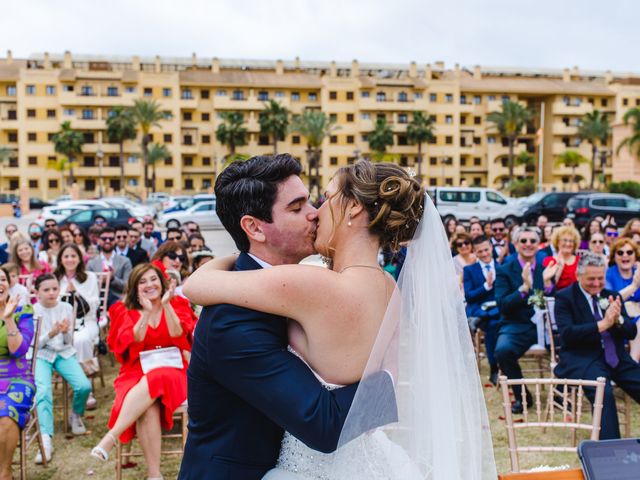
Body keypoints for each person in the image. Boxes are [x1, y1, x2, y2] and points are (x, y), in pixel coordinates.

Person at [180, 156, 495, 479]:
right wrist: (386, 382)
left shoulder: (308, 284)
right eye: (297, 206)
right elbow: (327, 419)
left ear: (355, 208)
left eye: (320, 199)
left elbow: (195, 286)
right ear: (254, 227)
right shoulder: (385, 287)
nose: (315, 212)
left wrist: (225, 261)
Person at [91, 263, 197, 480]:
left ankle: (111, 436)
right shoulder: (124, 310)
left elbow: (181, 338)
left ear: (162, 282)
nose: (149, 285)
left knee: (158, 375)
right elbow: (132, 344)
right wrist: (146, 314)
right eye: (142, 281)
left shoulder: (177, 304)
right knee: (148, 410)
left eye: (153, 279)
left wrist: (165, 306)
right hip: (136, 372)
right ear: (134, 287)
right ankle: (154, 474)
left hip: (174, 370)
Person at [554, 252, 640, 440]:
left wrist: (618, 319)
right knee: (604, 394)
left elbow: (631, 332)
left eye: (600, 278)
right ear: (578, 275)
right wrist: (603, 324)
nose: (596, 283)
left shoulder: (611, 296)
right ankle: (610, 450)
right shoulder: (565, 298)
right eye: (591, 279)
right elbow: (568, 334)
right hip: (583, 359)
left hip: (616, 358)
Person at [34, 274, 92, 463]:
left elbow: (68, 342)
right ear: (37, 292)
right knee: (42, 391)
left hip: (63, 352)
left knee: (84, 386)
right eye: (46, 290)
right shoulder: (33, 310)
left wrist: (66, 333)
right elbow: (35, 345)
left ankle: (75, 415)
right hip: (42, 354)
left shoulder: (66, 307)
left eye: (54, 289)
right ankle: (45, 437)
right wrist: (51, 333)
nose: (51, 293)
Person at [494, 227, 553, 414]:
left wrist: (548, 285)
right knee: (502, 351)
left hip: (545, 327)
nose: (528, 244)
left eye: (532, 241)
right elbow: (502, 305)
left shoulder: (546, 269)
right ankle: (522, 397)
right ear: (516, 245)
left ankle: (561, 394)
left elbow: (553, 300)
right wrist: (524, 288)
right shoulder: (504, 270)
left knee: (571, 345)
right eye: (524, 241)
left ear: (538, 245)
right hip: (516, 325)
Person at [54, 243, 101, 406]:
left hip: (85, 320)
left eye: (73, 256)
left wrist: (76, 294)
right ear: (60, 259)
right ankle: (73, 379)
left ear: (79, 259)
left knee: (80, 339)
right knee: (55, 340)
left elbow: (95, 304)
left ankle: (85, 385)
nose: (69, 259)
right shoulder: (55, 278)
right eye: (66, 256)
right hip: (60, 323)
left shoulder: (89, 277)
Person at [0, 267, 34, 480]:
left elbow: (19, 350)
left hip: (17, 378)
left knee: (5, 415)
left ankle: (5, 471)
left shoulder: (23, 311)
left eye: (2, 279)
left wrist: (9, 317)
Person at [464, 235, 500, 385]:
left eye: (486, 250)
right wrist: (486, 286)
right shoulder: (469, 270)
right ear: (475, 252)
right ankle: (494, 368)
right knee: (492, 325)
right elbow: (469, 295)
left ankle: (481, 317)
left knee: (495, 318)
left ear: (491, 248)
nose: (484, 254)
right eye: (480, 251)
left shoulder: (502, 266)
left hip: (498, 308)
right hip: (480, 308)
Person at [605, 238, 640, 361]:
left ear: (635, 256)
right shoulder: (609, 274)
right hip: (618, 324)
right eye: (620, 253)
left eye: (630, 252)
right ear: (614, 257)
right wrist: (634, 287)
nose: (625, 255)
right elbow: (610, 299)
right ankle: (634, 362)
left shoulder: (638, 272)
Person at [86, 227, 132, 306]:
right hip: (97, 302)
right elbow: (88, 286)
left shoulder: (125, 261)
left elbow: (128, 286)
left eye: (111, 239)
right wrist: (101, 281)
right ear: (99, 241)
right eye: (104, 239)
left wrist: (113, 278)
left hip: (119, 301)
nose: (107, 241)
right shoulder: (91, 263)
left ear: (115, 240)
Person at [542, 226, 581, 291]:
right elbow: (547, 291)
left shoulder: (580, 261)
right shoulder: (549, 261)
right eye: (565, 240)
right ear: (557, 242)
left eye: (571, 241)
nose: (568, 244)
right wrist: (559, 270)